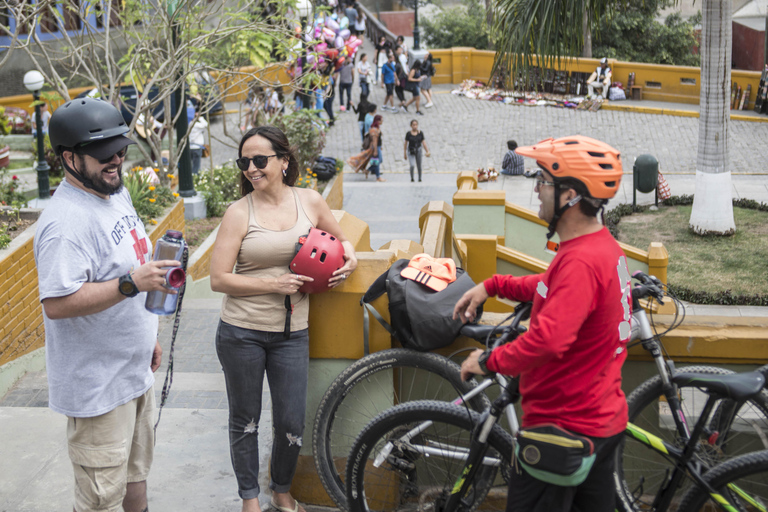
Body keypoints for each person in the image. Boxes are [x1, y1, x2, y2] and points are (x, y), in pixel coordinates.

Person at [453, 135, 630, 512]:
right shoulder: (597, 246)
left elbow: (549, 340)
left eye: (543, 182)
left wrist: (486, 362)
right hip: (599, 420)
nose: (536, 189)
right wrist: (494, 285)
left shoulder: (581, 263)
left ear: (570, 196)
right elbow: (551, 287)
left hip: (563, 431)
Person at [33, 97, 176, 512]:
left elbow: (128, 263)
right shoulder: (64, 224)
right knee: (100, 500)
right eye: (102, 154)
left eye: (120, 149)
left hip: (132, 372)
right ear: (69, 158)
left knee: (135, 481)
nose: (115, 159)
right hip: (97, 389)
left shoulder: (113, 192)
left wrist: (146, 334)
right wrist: (131, 284)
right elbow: (57, 303)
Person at [210, 125, 358, 512]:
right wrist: (274, 284)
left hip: (293, 333)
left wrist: (352, 260)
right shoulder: (238, 212)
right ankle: (249, 499)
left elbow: (342, 241)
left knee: (291, 421)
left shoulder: (309, 201)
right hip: (241, 332)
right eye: (245, 162)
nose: (251, 169)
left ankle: (281, 489)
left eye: (260, 160)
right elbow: (217, 279)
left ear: (284, 161)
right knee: (246, 419)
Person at [347, 114, 384, 182]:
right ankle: (378, 177)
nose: (382, 121)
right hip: (375, 148)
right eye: (381, 120)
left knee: (379, 161)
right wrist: (375, 150)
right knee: (377, 162)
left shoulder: (377, 129)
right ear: (378, 121)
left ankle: (368, 170)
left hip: (378, 147)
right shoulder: (374, 130)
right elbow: (374, 141)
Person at [394, 47, 409, 112]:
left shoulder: (397, 64)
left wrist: (396, 80)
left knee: (398, 89)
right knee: (400, 89)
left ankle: (403, 101)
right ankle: (403, 100)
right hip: (403, 75)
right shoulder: (400, 59)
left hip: (401, 77)